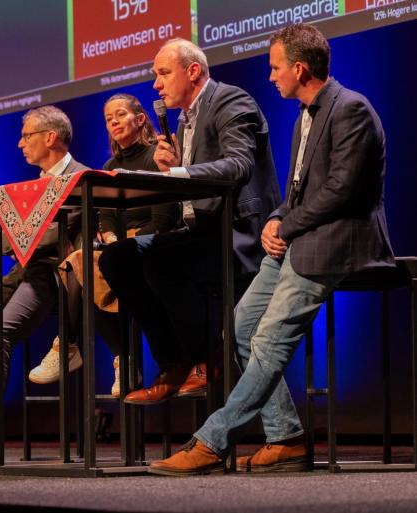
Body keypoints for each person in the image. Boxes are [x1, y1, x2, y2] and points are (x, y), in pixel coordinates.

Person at [150, 23, 394, 476]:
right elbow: (301, 189)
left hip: (335, 243)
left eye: (275, 67)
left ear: (299, 69)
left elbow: (342, 191)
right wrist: (278, 218)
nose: (270, 76)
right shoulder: (305, 114)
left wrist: (289, 223)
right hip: (300, 239)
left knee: (267, 339)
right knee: (240, 329)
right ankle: (286, 439)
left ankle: (212, 440)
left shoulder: (351, 109)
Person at [100, 39, 281, 404]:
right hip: (200, 231)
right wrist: (172, 168)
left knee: (160, 262)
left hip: (239, 234)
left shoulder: (231, 101)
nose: (156, 84)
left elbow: (238, 164)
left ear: (193, 71)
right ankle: (175, 362)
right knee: (115, 258)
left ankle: (206, 358)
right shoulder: (183, 121)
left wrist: (181, 171)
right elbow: (190, 179)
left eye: (164, 73)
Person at [0, 105, 90, 463]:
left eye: (27, 135)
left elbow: (58, 236)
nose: (20, 143)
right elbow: (9, 240)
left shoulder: (82, 178)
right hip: (23, 270)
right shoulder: (32, 185)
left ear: (50, 137)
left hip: (57, 273)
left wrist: (26, 237)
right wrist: (25, 237)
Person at [28, 93, 179, 397]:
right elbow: (106, 218)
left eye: (120, 115)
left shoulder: (157, 157)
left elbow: (164, 218)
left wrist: (123, 243)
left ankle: (73, 348)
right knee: (77, 265)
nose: (113, 122)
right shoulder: (110, 164)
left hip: (154, 242)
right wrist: (112, 240)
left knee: (88, 265)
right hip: (119, 246)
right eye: (108, 118)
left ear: (140, 119)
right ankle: (111, 356)